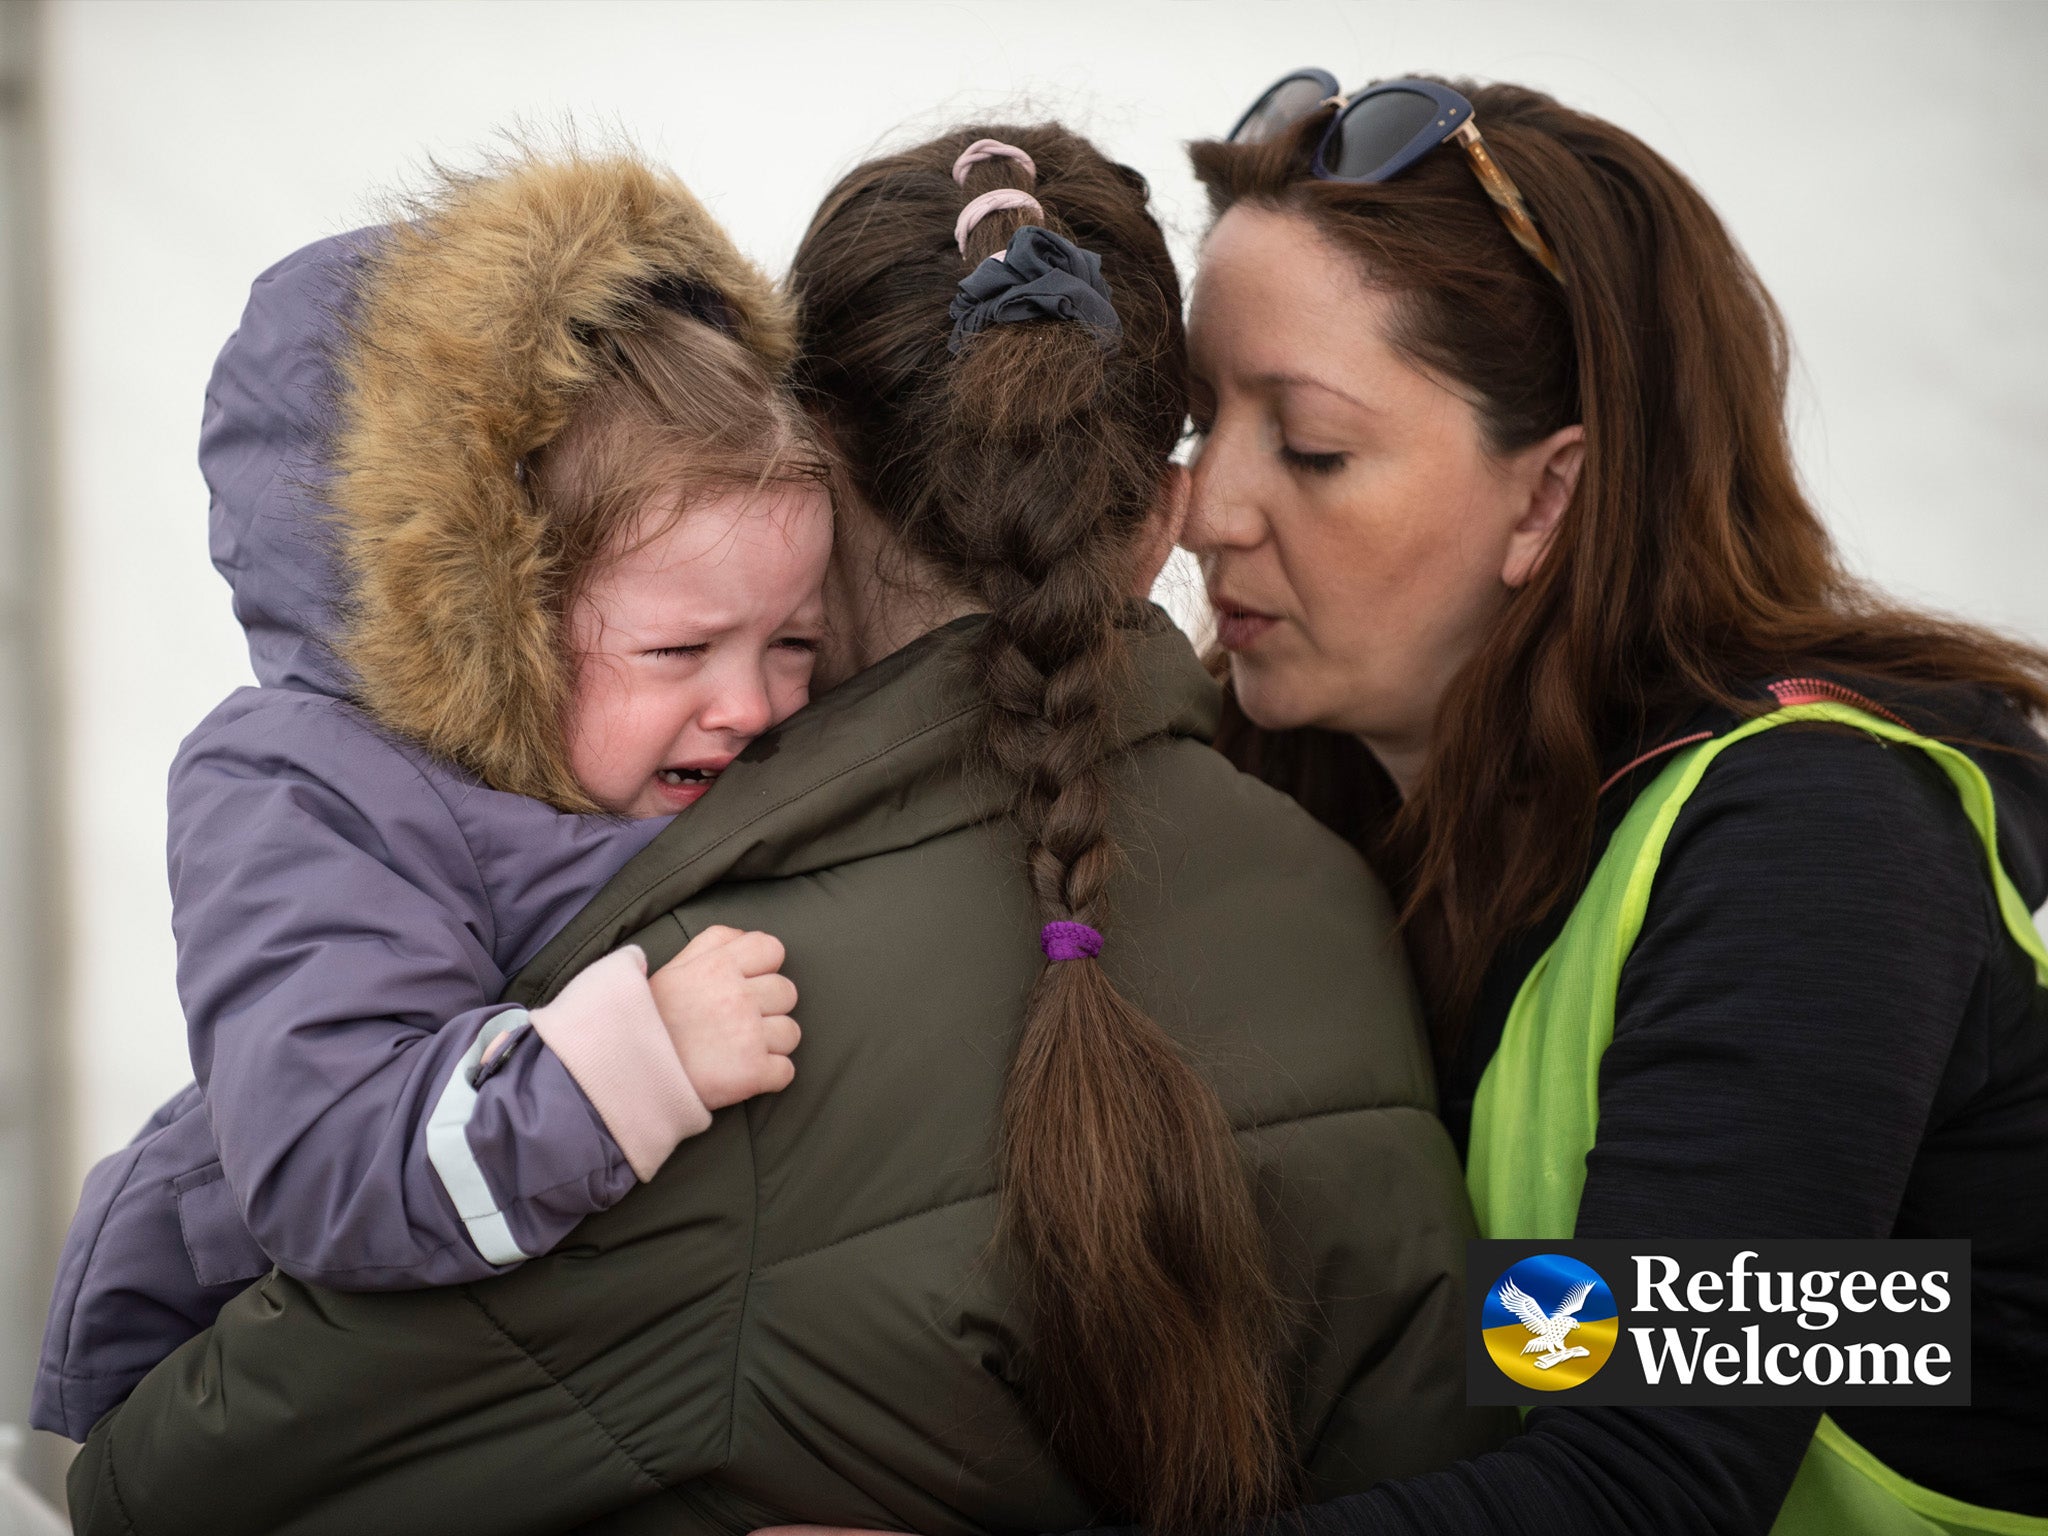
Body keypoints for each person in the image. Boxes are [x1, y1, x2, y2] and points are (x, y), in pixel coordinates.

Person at [63, 122, 1508, 1536]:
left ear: (812, 457)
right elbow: (1510, 1437)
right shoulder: (1347, 906)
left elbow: (160, 1479)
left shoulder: (711, 1008)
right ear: (1164, 516)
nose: (735, 702)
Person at [1174, 71, 2048, 1533]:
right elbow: (1549, 1328)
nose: (1206, 509)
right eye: (1201, 420)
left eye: (1310, 447)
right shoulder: (1307, 812)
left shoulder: (1817, 854)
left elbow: (1652, 1484)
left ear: (1550, 499)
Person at [33, 150, 828, 1442]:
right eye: (680, 651)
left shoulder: (676, 765)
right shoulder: (305, 788)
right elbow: (329, 1160)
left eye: (793, 641)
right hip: (218, 1403)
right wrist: (633, 1063)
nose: (750, 703)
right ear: (494, 616)